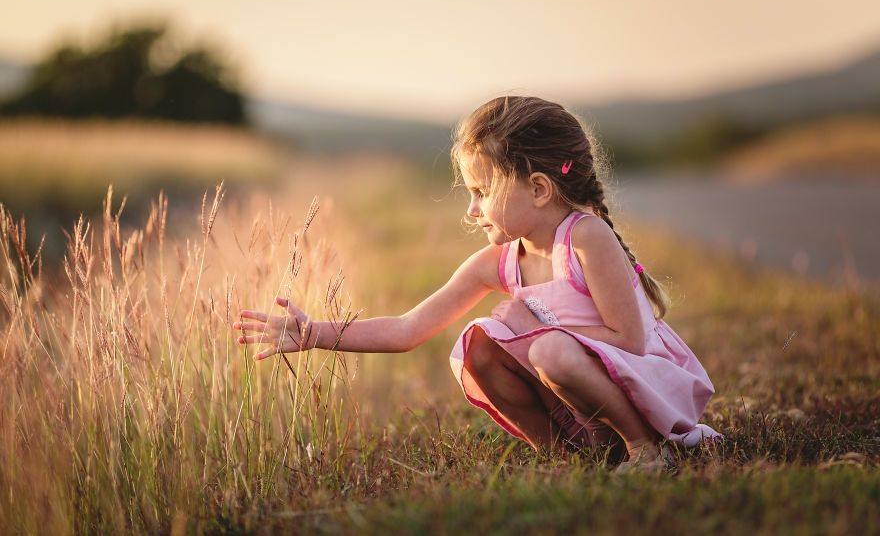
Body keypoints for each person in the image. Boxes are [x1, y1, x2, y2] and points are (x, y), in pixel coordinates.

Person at [233, 96, 721, 473]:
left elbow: (631, 343)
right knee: (478, 346)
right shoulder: (498, 263)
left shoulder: (587, 239)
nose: (471, 209)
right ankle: (569, 456)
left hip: (643, 388)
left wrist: (534, 331)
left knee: (546, 351)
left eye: (482, 192)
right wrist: (314, 333)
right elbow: (407, 330)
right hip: (580, 399)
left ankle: (645, 449)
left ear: (537, 188)